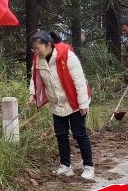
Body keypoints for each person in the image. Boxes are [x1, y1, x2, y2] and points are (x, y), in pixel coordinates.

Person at [27, 30, 94, 180]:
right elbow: (35, 78)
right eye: (34, 48)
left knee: (79, 134)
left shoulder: (67, 56)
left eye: (38, 48)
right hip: (56, 103)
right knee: (61, 135)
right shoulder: (38, 59)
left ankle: (88, 166)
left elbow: (80, 81)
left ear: (48, 45)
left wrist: (83, 103)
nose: (36, 51)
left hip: (74, 101)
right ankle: (66, 166)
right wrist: (32, 94)